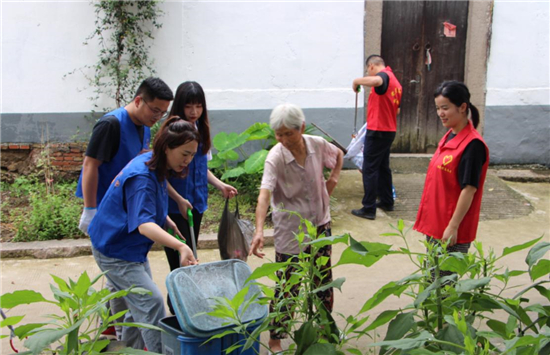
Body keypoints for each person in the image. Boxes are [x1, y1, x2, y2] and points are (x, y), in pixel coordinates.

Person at [88, 117, 199, 353]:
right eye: (185, 154)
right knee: (151, 303)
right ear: (168, 147)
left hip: (126, 246)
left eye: (192, 155)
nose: (188, 160)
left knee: (134, 307)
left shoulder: (152, 160)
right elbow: (144, 225)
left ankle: (131, 349)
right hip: (115, 250)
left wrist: (166, 218)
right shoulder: (142, 177)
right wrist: (181, 247)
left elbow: (152, 196)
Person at [75, 77, 174, 338]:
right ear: (138, 100)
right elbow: (90, 166)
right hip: (106, 211)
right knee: (119, 269)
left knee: (118, 279)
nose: (157, 117)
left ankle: (112, 329)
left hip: (125, 208)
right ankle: (114, 329)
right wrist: (90, 209)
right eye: (155, 110)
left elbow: (145, 165)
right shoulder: (111, 124)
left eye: (162, 113)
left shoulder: (143, 126)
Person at [249, 103, 343, 353]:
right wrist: (258, 230)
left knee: (322, 279)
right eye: (278, 134)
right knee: (288, 286)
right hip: (291, 231)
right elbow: (264, 195)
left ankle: (324, 329)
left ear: (301, 127)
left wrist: (333, 178)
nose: (283, 139)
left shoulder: (317, 144)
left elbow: (339, 155)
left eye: (288, 133)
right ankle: (275, 340)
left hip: (320, 225)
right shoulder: (275, 157)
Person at [163, 81, 238, 314]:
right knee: (182, 261)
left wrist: (219, 185)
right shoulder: (172, 132)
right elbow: (158, 174)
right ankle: (178, 308)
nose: (194, 112)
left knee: (190, 258)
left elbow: (201, 167)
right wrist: (176, 199)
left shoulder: (200, 131)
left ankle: (184, 306)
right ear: (179, 106)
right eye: (189, 106)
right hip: (175, 210)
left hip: (196, 204)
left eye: (198, 106)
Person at [414, 81, 489, 272]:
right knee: (432, 282)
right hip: (436, 224)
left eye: (445, 108)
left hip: (451, 230)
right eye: (438, 108)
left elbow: (469, 189)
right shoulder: (449, 136)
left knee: (444, 287)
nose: (440, 113)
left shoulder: (472, 145)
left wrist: (453, 226)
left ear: (463, 107)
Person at [350, 55, 402, 220]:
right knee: (383, 168)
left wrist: (357, 81)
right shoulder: (396, 83)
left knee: (369, 168)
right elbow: (397, 110)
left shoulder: (384, 76)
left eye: (368, 70)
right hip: (389, 130)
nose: (368, 74)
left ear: (372, 66)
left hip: (378, 130)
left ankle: (368, 208)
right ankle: (387, 201)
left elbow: (377, 82)